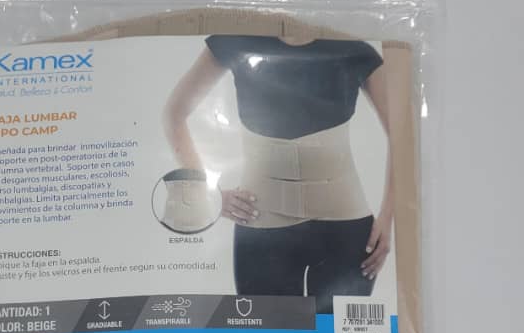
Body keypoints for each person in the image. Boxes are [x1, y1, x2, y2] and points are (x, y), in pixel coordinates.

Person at [162, 32, 394, 313]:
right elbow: (174, 114)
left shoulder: (354, 50)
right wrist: (208, 194)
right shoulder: (237, 40)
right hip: (261, 228)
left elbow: (402, 136)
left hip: (346, 230)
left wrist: (388, 218)